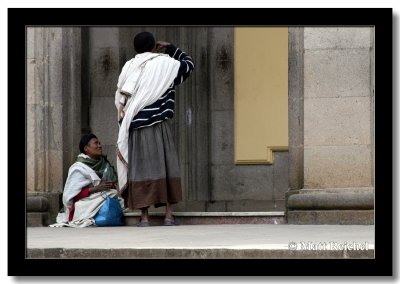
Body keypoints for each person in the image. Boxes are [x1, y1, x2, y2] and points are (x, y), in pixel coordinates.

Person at [115, 31, 195, 227]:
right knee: (166, 167)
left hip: (134, 126)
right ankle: (168, 216)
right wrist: (171, 48)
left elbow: (120, 98)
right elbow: (188, 65)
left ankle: (144, 218)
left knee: (139, 171)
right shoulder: (165, 63)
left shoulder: (129, 66)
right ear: (154, 46)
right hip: (158, 124)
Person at [50, 133, 120, 227]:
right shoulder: (78, 168)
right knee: (84, 205)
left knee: (115, 195)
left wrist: (107, 185)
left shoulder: (105, 163)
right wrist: (96, 188)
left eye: (99, 143)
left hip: (104, 194)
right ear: (86, 148)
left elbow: (113, 184)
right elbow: (70, 196)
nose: (99, 146)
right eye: (96, 143)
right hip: (86, 200)